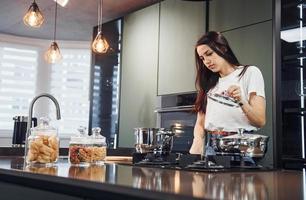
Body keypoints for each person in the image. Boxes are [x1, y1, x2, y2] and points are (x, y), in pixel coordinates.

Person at [189, 31, 266, 155]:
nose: (207, 61)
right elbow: (200, 123)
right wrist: (197, 142)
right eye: (202, 58)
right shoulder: (208, 84)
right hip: (211, 148)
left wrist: (241, 100)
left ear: (223, 48)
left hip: (242, 146)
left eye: (209, 54)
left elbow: (260, 121)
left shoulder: (249, 73)